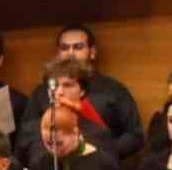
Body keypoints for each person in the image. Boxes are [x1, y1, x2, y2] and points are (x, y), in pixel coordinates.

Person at [17, 24, 144, 159]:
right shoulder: (42, 92)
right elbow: (25, 137)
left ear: (92, 52)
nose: (70, 53)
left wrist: (102, 152)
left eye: (78, 47)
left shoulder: (114, 90)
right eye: (64, 48)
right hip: (49, 161)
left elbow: (135, 135)